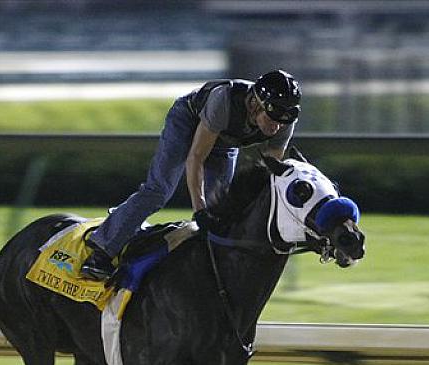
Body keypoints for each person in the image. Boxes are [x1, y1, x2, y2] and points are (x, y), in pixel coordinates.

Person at [81, 69, 302, 281]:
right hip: (188, 120)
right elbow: (195, 158)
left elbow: (267, 175)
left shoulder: (284, 122)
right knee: (159, 191)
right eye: (273, 115)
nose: (277, 126)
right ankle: (102, 250)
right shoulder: (223, 100)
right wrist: (199, 210)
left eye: (285, 117)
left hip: (225, 140)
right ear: (255, 103)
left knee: (221, 208)